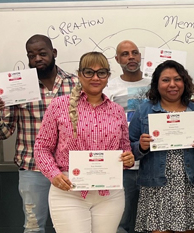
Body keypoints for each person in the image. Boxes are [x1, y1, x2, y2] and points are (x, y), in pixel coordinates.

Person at [34, 51, 136, 233]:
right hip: (69, 191)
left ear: (107, 77)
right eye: (89, 72)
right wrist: (53, 174)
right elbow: (42, 147)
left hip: (109, 194)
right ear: (80, 75)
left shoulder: (117, 111)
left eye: (101, 73)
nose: (95, 78)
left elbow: (124, 150)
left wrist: (127, 159)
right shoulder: (59, 106)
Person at [0, 34, 78, 233]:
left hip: (69, 168)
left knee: (72, 226)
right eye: (31, 55)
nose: (37, 59)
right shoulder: (17, 87)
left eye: (42, 53)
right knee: (33, 227)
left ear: (54, 53)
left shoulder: (75, 84)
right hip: (32, 167)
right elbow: (4, 132)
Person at [130, 60, 194, 233]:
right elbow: (128, 148)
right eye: (166, 80)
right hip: (156, 187)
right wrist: (142, 147)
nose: (172, 85)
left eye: (177, 79)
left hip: (189, 186)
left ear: (184, 82)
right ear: (156, 84)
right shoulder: (144, 110)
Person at [102, 40, 150, 233]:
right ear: (117, 59)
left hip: (151, 162)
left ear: (140, 56)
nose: (131, 57)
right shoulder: (109, 87)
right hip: (122, 164)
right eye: (125, 54)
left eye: (135, 52)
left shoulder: (155, 84)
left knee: (149, 221)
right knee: (122, 221)